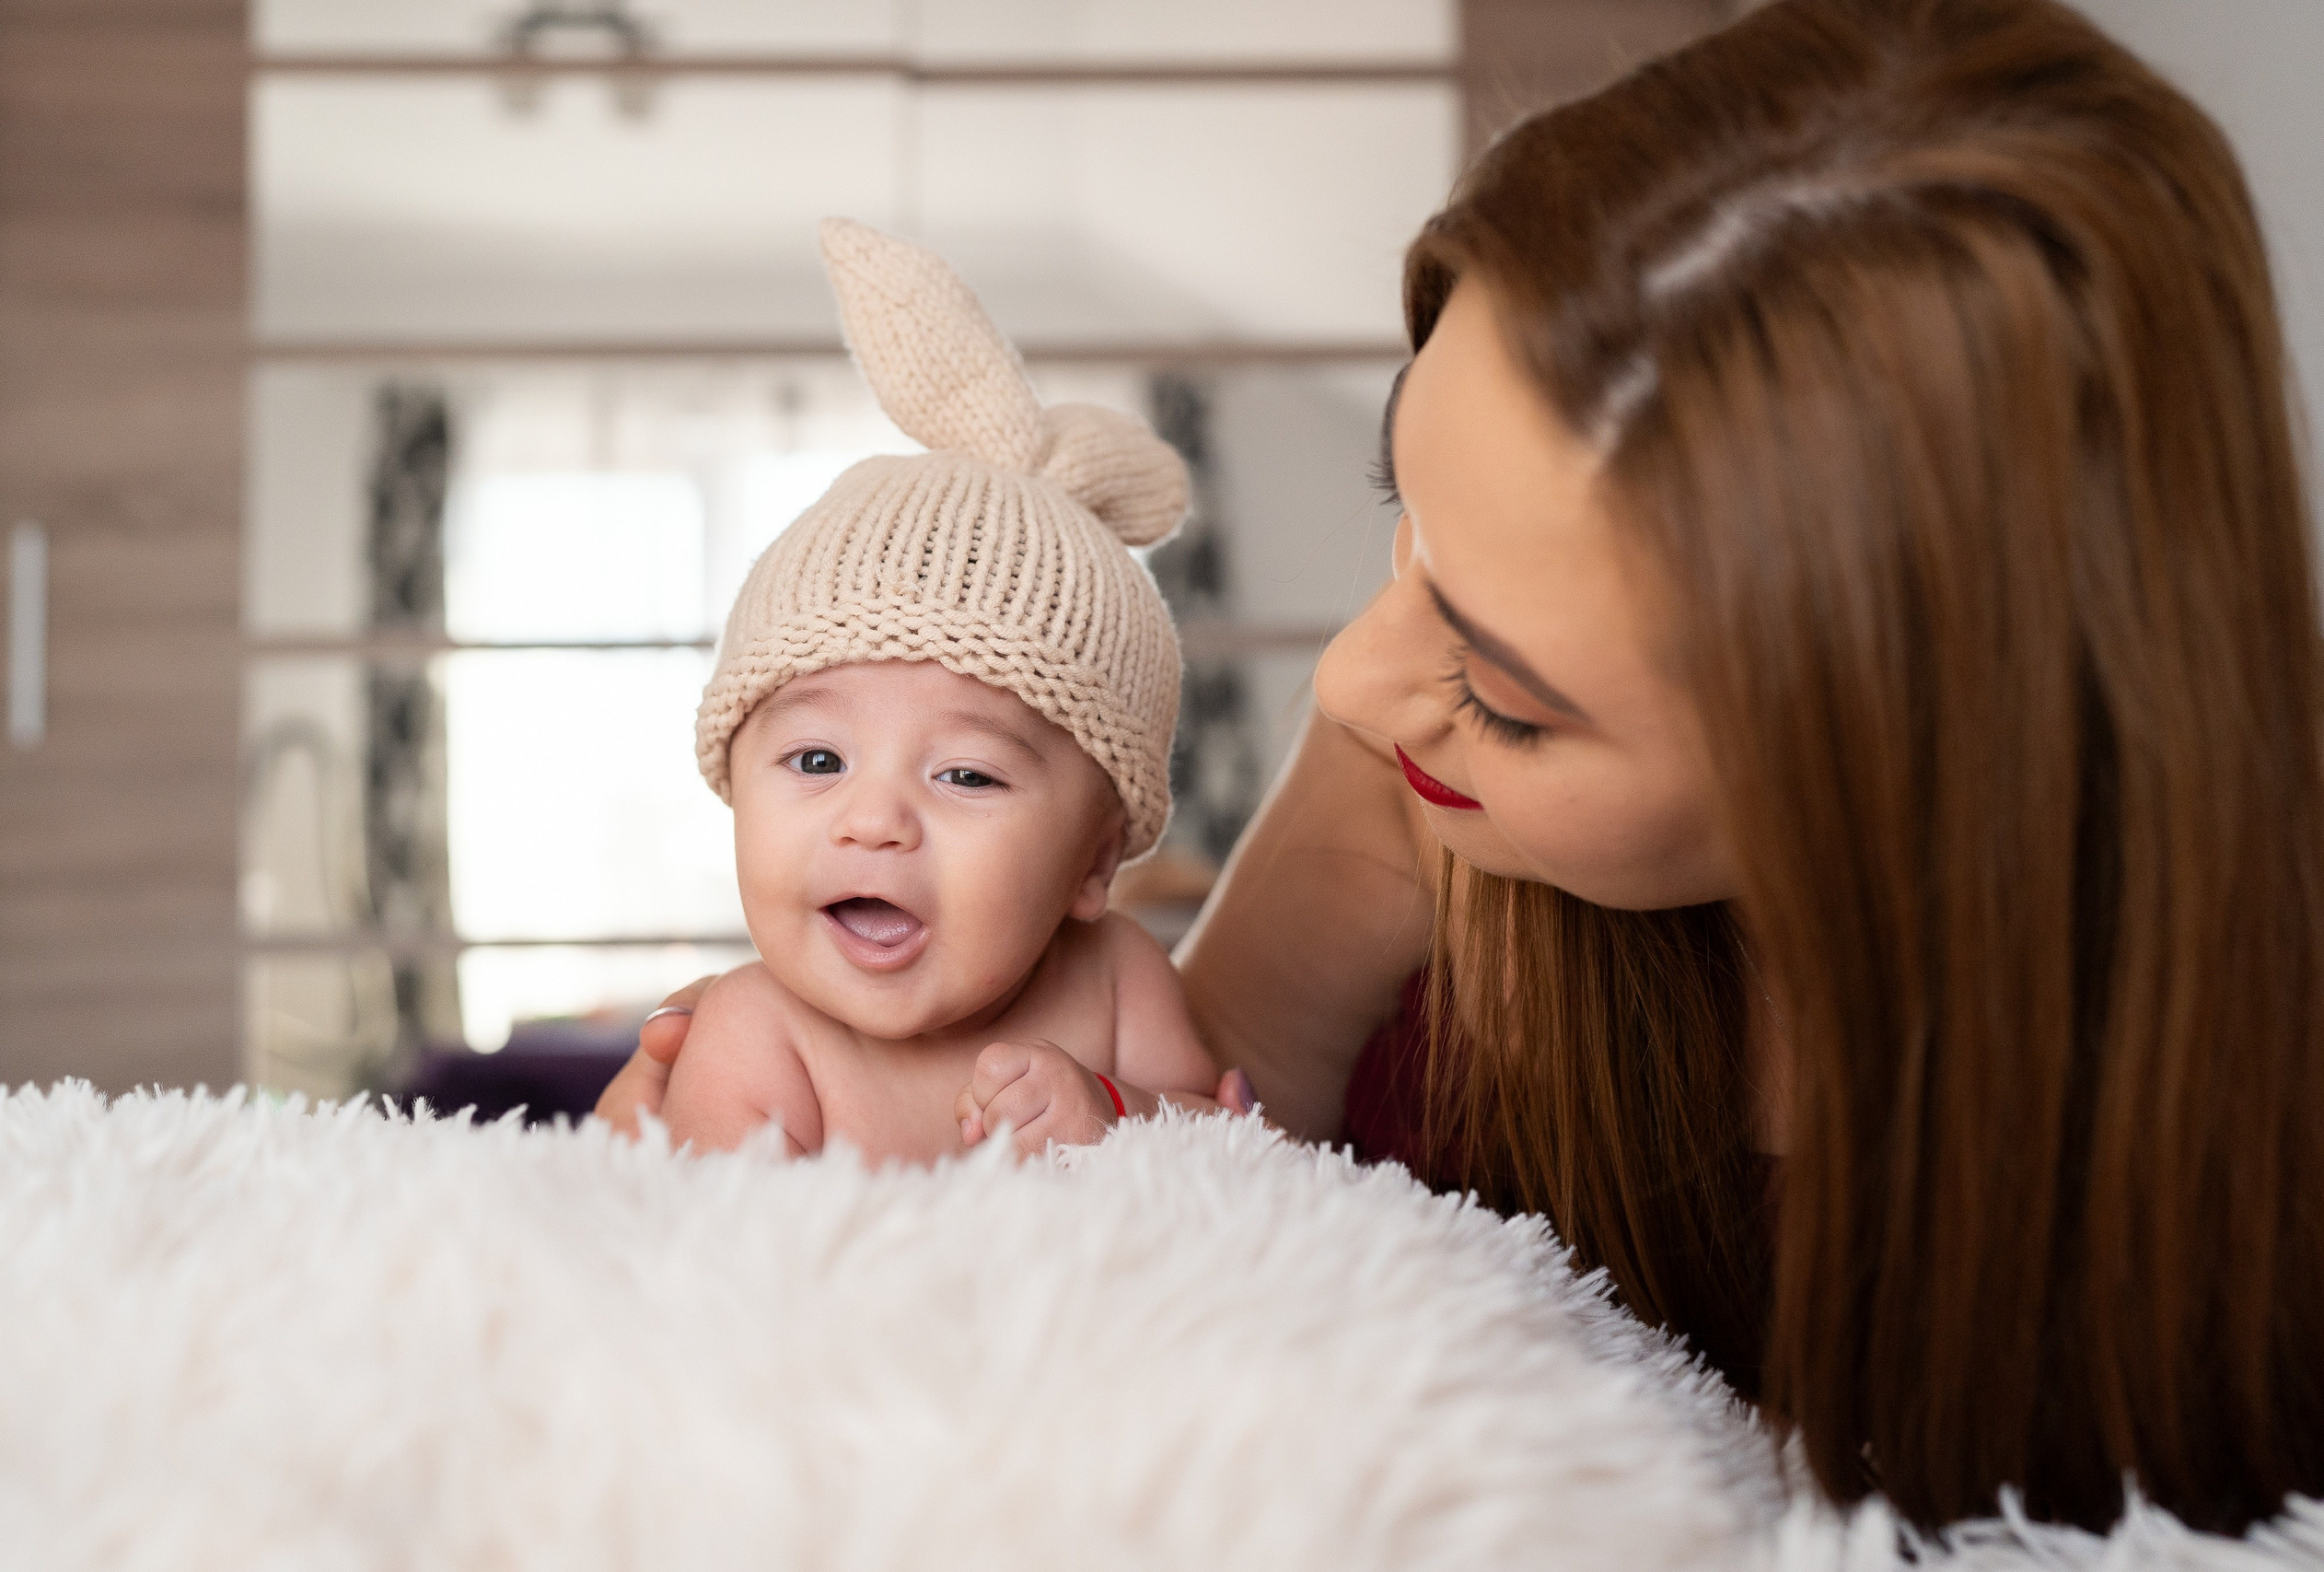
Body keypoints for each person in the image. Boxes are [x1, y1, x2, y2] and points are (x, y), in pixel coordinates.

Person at [602, 0, 2322, 1537]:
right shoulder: (1399, 772)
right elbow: (1187, 1184)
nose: (1356, 682)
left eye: (1507, 692)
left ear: (1893, 766)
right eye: (1405, 522)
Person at [636, 218, 1238, 1163]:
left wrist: (1116, 1112)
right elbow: (721, 1239)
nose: (874, 822)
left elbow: (1237, 1158)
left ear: (1093, 862)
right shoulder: (754, 1031)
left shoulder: (1119, 979)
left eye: (966, 775)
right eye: (818, 760)